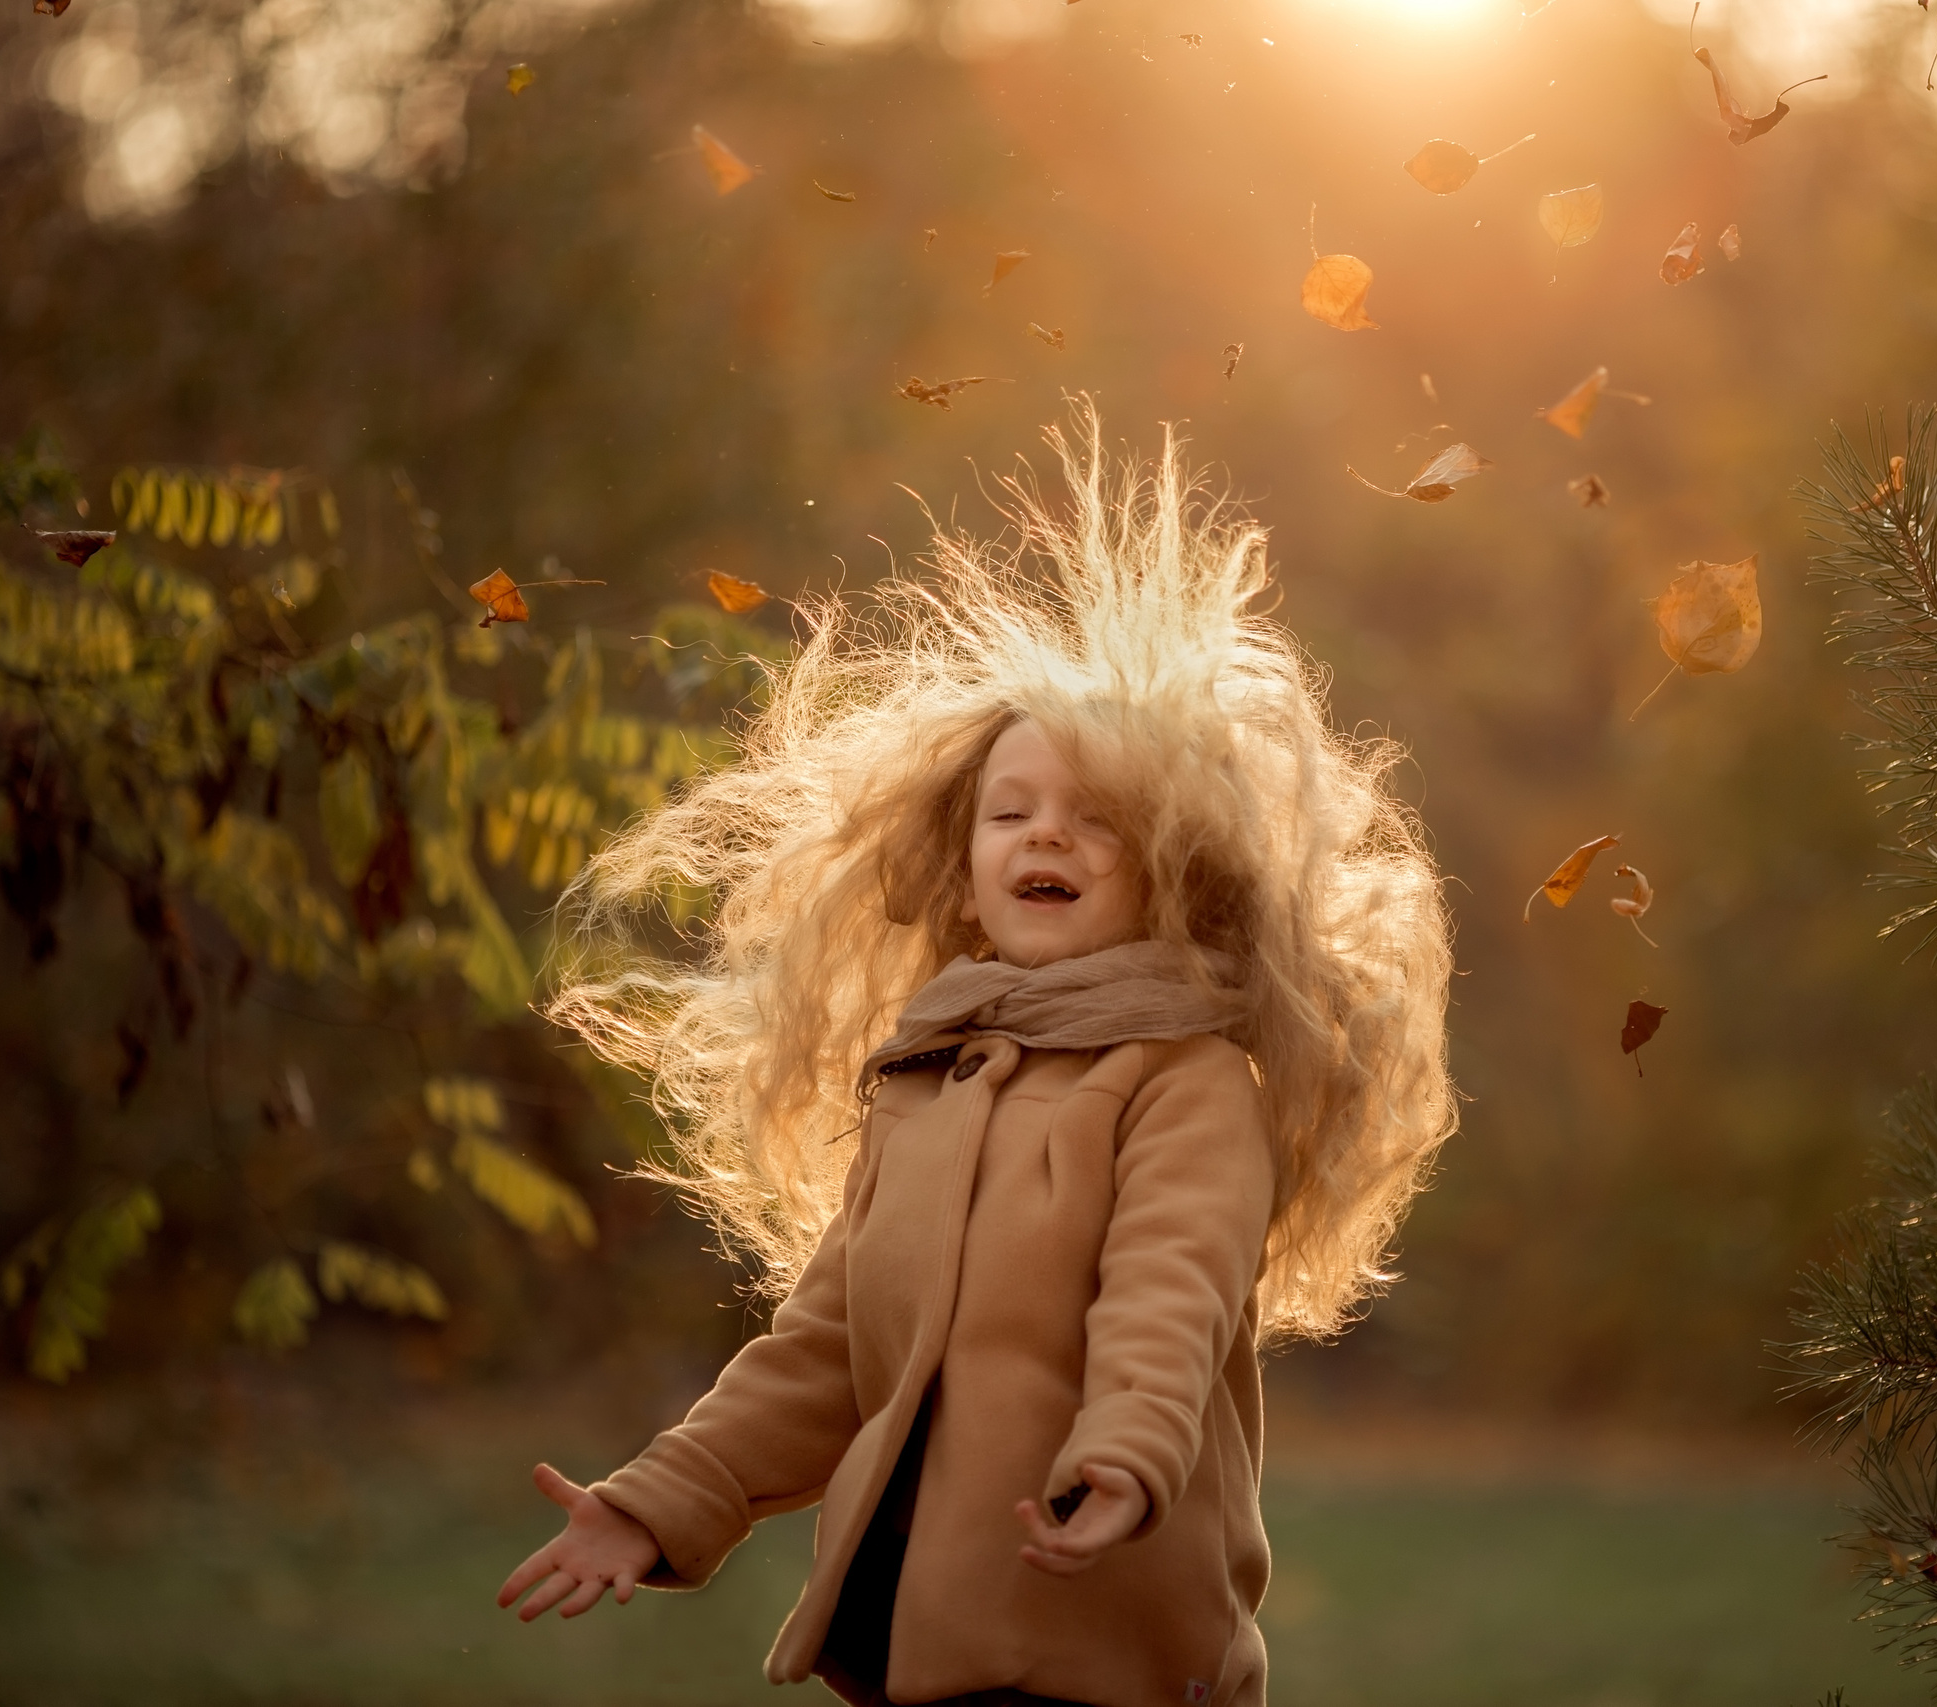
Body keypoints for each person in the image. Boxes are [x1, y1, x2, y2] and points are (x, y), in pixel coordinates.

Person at [497, 404, 1455, 1707]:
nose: (1043, 838)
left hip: (1099, 1613)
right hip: (920, 1635)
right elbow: (826, 1346)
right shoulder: (928, 1082)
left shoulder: (1181, 1081)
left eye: (1094, 821)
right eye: (1012, 813)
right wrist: (661, 1504)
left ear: (1180, 873)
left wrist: (1125, 1452)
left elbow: (1168, 1291)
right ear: (962, 865)